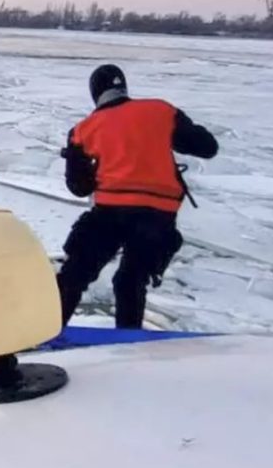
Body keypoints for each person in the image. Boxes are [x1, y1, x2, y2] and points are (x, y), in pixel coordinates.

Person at [56, 63, 218, 329]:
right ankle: (130, 341)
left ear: (95, 93)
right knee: (130, 281)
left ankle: (47, 331)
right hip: (158, 215)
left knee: (75, 273)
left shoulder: (84, 129)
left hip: (109, 211)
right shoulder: (161, 111)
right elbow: (207, 147)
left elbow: (79, 187)